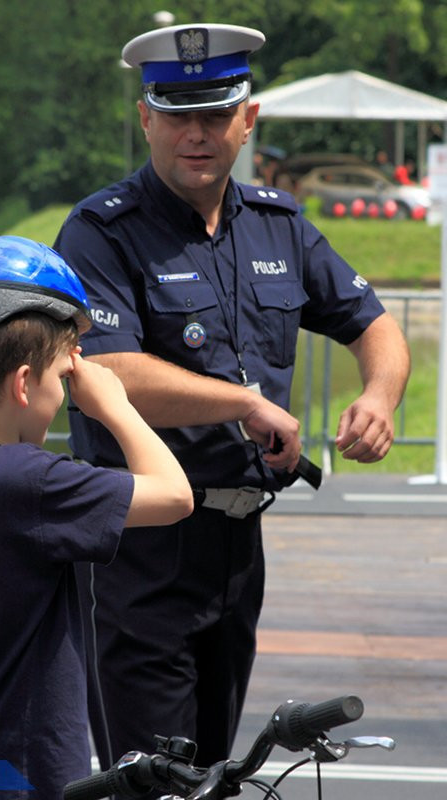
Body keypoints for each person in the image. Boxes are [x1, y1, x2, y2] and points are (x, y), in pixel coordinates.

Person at [54, 22, 411, 773]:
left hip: (237, 550)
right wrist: (242, 402)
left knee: (216, 776)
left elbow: (374, 326)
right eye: (177, 113)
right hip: (136, 547)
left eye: (215, 113)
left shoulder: (279, 224)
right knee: (148, 779)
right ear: (145, 118)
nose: (196, 133)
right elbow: (103, 374)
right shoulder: (99, 232)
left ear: (248, 120)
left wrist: (379, 395)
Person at [0, 235, 193, 799]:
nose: (69, 392)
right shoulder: (28, 482)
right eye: (62, 377)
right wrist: (116, 406)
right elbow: (175, 494)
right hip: (16, 769)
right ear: (23, 383)